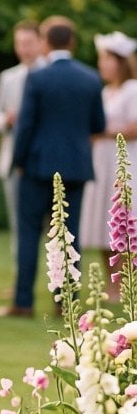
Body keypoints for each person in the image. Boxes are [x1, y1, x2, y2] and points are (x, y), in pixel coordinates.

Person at [0, 16, 104, 318]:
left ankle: (23, 302)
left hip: (36, 168)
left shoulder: (38, 78)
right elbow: (98, 124)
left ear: (45, 43)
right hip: (76, 168)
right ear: (72, 42)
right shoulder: (90, 78)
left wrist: (18, 162)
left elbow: (25, 126)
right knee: (69, 236)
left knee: (29, 234)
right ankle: (66, 304)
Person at [79, 31, 137, 289]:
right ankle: (114, 285)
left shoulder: (132, 90)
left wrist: (104, 132)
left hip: (124, 160)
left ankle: (129, 283)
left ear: (120, 62)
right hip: (101, 161)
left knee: (126, 219)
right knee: (106, 221)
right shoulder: (103, 92)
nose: (102, 64)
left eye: (106, 59)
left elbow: (134, 127)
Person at [0, 21, 46, 274]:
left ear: (40, 43)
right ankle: (20, 278)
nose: (23, 49)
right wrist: (6, 120)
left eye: (28, 43)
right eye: (19, 43)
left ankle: (54, 278)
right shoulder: (8, 77)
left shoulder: (49, 75)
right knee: (18, 223)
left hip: (43, 159)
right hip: (13, 159)